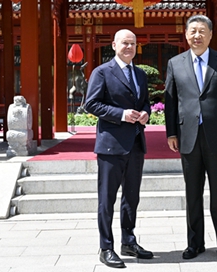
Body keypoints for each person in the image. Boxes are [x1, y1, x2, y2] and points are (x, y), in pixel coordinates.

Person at [164, 15, 217, 262]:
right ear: (186, 35)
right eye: (193, 31)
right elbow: (170, 101)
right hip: (188, 136)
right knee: (192, 192)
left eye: (202, 31)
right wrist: (171, 132)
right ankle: (195, 243)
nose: (197, 35)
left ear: (210, 35)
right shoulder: (175, 63)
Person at [84, 29, 153, 269]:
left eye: (133, 43)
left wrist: (146, 113)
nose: (129, 47)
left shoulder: (140, 74)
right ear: (114, 45)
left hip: (136, 143)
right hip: (111, 145)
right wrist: (121, 114)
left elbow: (145, 102)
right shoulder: (102, 72)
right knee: (107, 199)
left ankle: (129, 241)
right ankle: (106, 247)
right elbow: (91, 104)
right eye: (125, 43)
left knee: (131, 197)